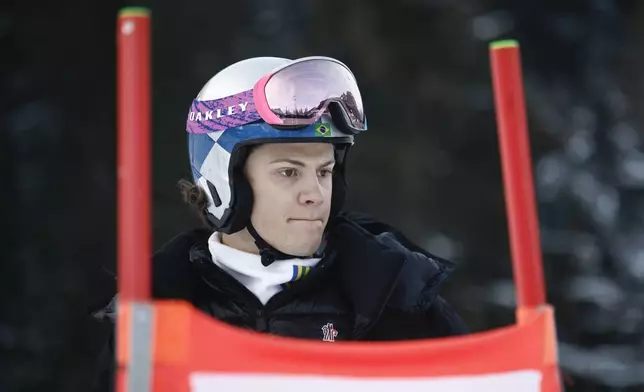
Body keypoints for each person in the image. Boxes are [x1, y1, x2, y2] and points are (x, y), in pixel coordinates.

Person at [91, 55, 467, 391]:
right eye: (289, 172)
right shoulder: (152, 320)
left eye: (325, 171)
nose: (316, 194)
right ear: (225, 180)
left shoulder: (396, 300)